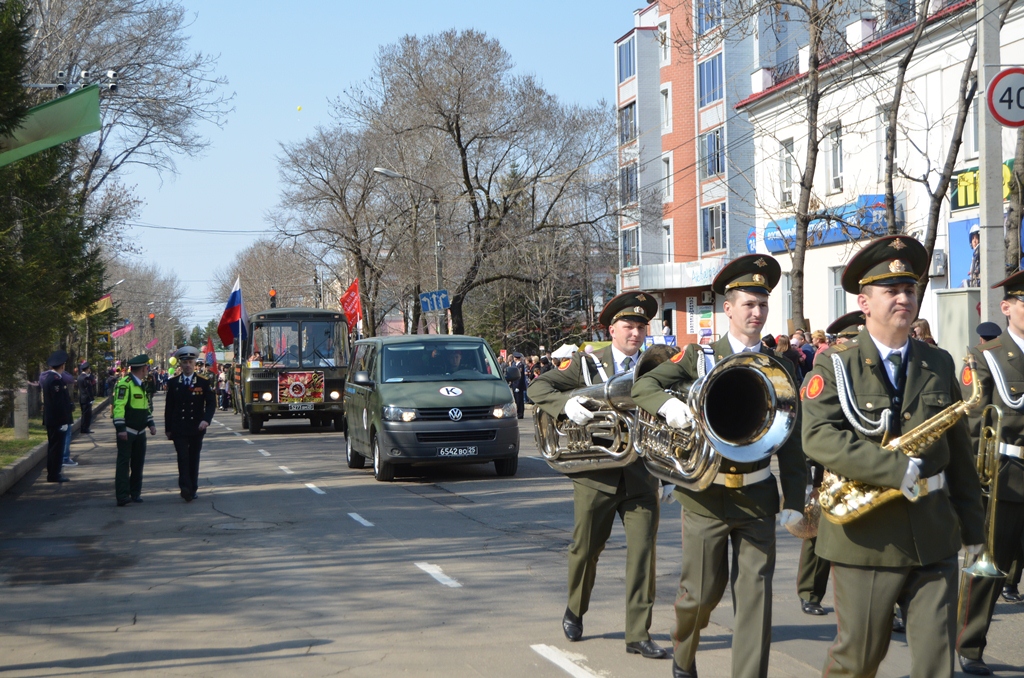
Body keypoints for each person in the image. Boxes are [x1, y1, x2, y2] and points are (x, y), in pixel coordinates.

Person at [802, 235, 985, 678]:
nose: (904, 298)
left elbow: (959, 450)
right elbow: (818, 437)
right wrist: (893, 467)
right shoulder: (836, 364)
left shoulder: (938, 362)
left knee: (936, 663)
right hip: (867, 538)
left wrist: (973, 527)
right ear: (864, 303)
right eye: (892, 291)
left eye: (909, 289)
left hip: (934, 533)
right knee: (858, 659)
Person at [631, 255, 805, 678]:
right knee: (701, 594)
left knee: (756, 599)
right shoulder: (699, 356)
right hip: (705, 496)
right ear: (728, 308)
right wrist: (669, 406)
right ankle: (683, 651)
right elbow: (644, 385)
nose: (756, 313)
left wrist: (795, 500)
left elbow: (790, 437)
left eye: (762, 304)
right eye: (748, 304)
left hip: (758, 496)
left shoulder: (781, 365)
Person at [528, 291, 668, 661]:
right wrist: (565, 404)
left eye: (641, 327)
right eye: (629, 326)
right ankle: (575, 609)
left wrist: (669, 475)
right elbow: (537, 387)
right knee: (586, 550)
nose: (635, 333)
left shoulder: (657, 367)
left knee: (644, 555)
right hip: (596, 476)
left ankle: (638, 633)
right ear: (611, 330)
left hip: (641, 475)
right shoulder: (586, 363)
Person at [955, 269, 1024, 675]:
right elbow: (973, 422)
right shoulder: (987, 355)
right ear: (1007, 307)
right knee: (989, 568)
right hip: (1007, 475)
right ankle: (969, 645)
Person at [165, 346, 216, 502]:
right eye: (184, 362)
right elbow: (169, 407)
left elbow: (211, 403)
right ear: (180, 364)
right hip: (179, 427)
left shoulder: (203, 382)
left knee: (193, 458)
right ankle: (185, 487)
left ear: (195, 363)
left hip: (196, 427)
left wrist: (206, 420)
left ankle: (193, 488)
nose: (187, 365)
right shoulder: (174, 383)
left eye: (190, 362)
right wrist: (168, 428)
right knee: (182, 457)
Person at [112, 354, 157, 506]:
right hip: (127, 431)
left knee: (138, 464)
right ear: (143, 368)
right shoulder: (125, 384)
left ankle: (135, 493)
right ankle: (122, 495)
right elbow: (118, 407)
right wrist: (120, 428)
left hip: (140, 432)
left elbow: (145, 407)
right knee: (124, 464)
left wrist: (151, 423)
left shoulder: (141, 384)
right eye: (147, 368)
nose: (147, 370)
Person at [40, 350, 73, 483]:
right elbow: (58, 403)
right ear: (62, 366)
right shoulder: (55, 381)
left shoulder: (53, 378)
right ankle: (54, 474)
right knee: (56, 448)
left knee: (55, 447)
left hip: (54, 419)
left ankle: (54, 473)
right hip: (57, 420)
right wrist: (64, 421)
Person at [77, 363, 96, 434]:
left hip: (82, 397)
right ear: (87, 369)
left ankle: (83, 428)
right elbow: (88, 389)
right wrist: (92, 398)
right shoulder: (86, 378)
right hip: (87, 398)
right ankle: (85, 428)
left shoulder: (79, 377)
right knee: (87, 415)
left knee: (84, 414)